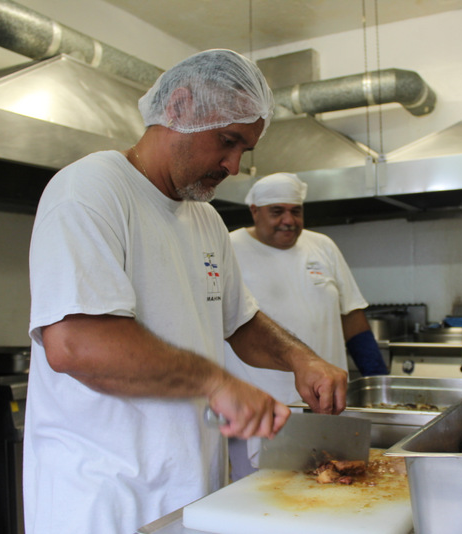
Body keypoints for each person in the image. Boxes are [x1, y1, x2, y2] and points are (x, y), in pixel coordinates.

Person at [24, 50, 348, 534]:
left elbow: (238, 322)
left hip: (192, 491)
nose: (234, 165)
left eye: (245, 149)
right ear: (178, 107)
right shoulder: (90, 190)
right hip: (107, 499)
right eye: (228, 140)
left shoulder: (204, 217)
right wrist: (219, 383)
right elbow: (76, 344)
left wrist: (301, 358)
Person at [224, 172, 388, 480]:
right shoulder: (228, 248)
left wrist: (380, 384)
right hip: (260, 412)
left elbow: (352, 318)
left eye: (295, 210)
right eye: (277, 211)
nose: (288, 220)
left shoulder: (322, 246)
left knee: (337, 493)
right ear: (254, 211)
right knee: (263, 502)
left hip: (328, 408)